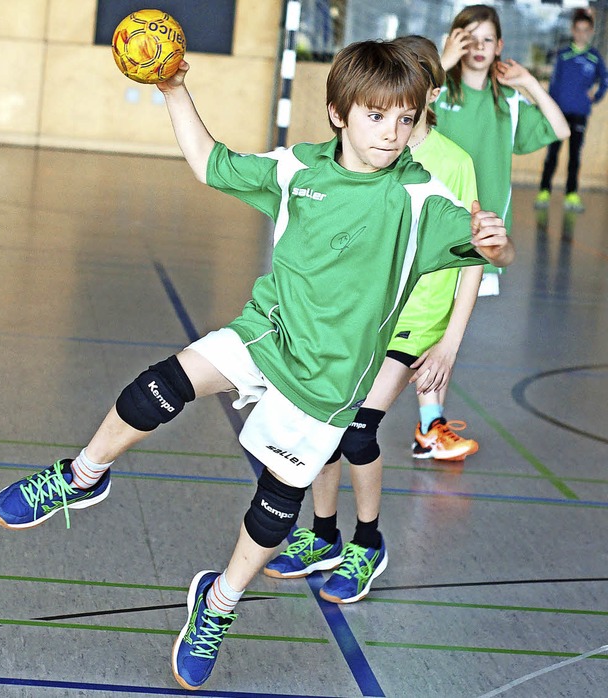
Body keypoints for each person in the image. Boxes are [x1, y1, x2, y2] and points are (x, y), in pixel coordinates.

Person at [0, 40, 514, 690]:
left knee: (274, 511)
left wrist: (496, 242)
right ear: (338, 113)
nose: (393, 132)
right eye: (377, 117)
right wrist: (173, 88)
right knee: (159, 387)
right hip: (266, 332)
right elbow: (210, 164)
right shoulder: (298, 169)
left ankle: (219, 602)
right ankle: (82, 474)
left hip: (328, 384)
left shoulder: (421, 199)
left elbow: (494, 250)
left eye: (405, 119)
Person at [263, 35, 483, 603]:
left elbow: (474, 257)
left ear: (427, 93)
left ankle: (368, 542)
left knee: (359, 427)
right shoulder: (367, 151)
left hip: (416, 319)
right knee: (328, 423)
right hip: (362, 319)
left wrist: (450, 343)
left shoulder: (452, 163)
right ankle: (323, 535)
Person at [435, 3, 570, 296]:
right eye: (470, 38)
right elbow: (405, 103)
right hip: (433, 227)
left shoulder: (508, 102)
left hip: (482, 232)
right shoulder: (437, 90)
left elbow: (561, 129)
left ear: (499, 46)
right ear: (456, 42)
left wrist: (529, 83)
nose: (478, 46)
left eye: (487, 39)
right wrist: (442, 62)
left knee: (454, 333)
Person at [534, 8, 608, 213]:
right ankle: (544, 191)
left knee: (575, 156)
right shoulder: (563, 55)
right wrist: (549, 109)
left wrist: (598, 95)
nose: (582, 34)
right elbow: (554, 83)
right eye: (578, 29)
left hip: (580, 114)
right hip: (558, 113)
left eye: (586, 30)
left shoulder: (594, 58)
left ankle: (571, 194)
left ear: (591, 31)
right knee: (552, 154)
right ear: (573, 30)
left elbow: (605, 80)